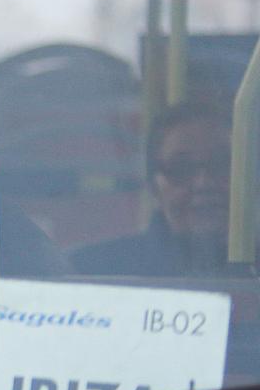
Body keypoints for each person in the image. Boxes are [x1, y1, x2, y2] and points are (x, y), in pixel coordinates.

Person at [72, 100, 232, 276]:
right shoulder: (89, 271)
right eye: (181, 168)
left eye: (222, 164)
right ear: (153, 185)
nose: (203, 183)